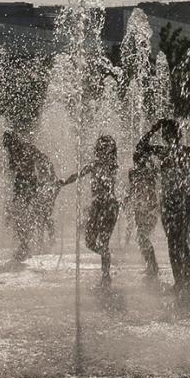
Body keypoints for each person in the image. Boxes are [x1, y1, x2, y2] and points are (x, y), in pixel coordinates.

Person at [61, 135, 121, 285]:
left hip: (109, 205)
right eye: (99, 148)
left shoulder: (112, 165)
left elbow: (107, 179)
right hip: (97, 206)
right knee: (89, 241)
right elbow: (78, 175)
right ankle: (106, 259)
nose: (100, 151)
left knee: (104, 242)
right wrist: (64, 182)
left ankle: (106, 275)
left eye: (103, 148)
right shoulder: (94, 165)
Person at [152, 121, 190, 295]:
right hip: (178, 201)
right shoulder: (185, 152)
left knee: (175, 243)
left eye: (166, 133)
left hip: (176, 202)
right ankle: (185, 280)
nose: (167, 136)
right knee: (180, 242)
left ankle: (181, 281)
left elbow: (141, 147)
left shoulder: (165, 152)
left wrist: (153, 129)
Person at [132, 121, 166, 279]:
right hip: (140, 207)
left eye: (138, 158)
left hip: (150, 207)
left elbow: (141, 144)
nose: (137, 160)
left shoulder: (150, 171)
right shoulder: (134, 172)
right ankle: (151, 266)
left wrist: (153, 131)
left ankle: (154, 266)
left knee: (142, 237)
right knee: (140, 237)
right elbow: (134, 190)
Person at [3, 132, 41, 261]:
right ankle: (24, 245)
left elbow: (40, 158)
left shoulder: (25, 148)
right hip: (23, 183)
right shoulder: (20, 149)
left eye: (8, 145)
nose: (8, 149)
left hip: (27, 183)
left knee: (23, 215)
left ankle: (25, 246)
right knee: (20, 215)